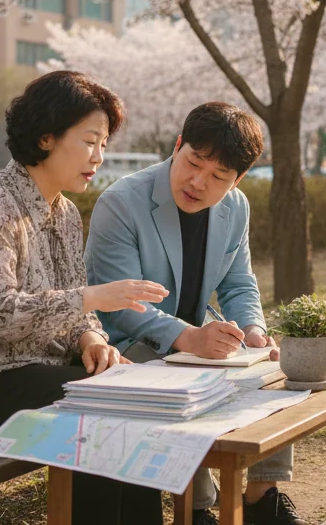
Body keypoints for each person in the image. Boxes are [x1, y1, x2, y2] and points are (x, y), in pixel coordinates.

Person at [0, 71, 171, 525]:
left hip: (27, 375)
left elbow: (72, 309)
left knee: (128, 395)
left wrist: (91, 340)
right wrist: (91, 298)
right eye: (89, 141)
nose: (99, 156)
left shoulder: (65, 213)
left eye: (103, 144)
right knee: (99, 407)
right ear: (46, 137)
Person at [85, 102, 309, 525]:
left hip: (196, 334)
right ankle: (197, 509)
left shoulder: (236, 207)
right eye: (193, 162)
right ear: (177, 146)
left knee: (276, 369)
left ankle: (262, 497)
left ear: (237, 179)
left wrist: (254, 331)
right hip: (125, 342)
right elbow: (125, 307)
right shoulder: (121, 203)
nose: (198, 182)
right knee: (190, 382)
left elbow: (239, 283)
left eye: (218, 176)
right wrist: (190, 339)